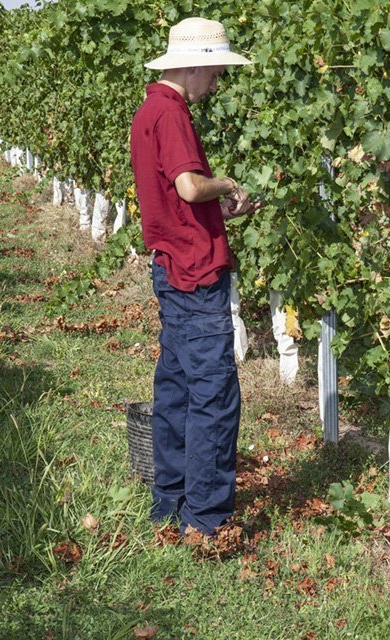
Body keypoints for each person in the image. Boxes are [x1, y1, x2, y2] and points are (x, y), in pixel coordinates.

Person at [129, 17, 260, 537]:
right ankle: (205, 522)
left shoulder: (147, 112)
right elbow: (187, 186)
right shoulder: (172, 113)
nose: (218, 82)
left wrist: (216, 214)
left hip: (171, 266)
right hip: (195, 273)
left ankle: (170, 506)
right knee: (214, 395)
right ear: (197, 64)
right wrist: (224, 182)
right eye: (217, 71)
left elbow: (172, 200)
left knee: (177, 389)